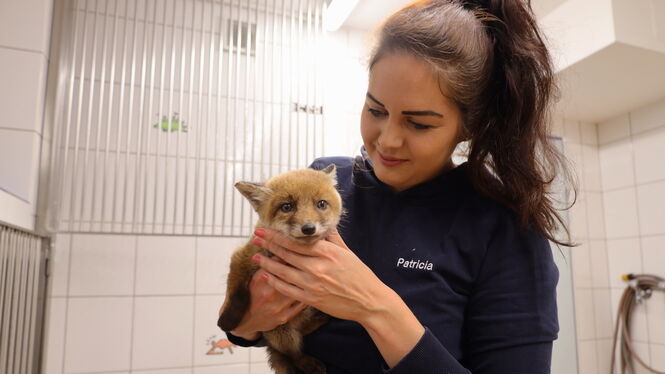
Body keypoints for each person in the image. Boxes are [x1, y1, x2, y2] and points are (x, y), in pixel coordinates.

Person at [219, 0, 576, 372]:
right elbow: (248, 325)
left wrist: (374, 306)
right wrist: (248, 322)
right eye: (376, 110)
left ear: (470, 125)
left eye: (419, 123)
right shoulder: (323, 185)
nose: (387, 140)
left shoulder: (505, 230)